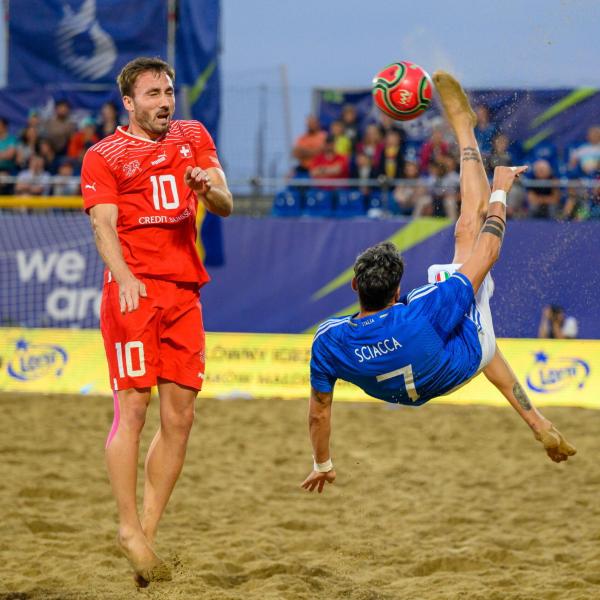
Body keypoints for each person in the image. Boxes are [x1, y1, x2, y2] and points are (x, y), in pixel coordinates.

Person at [302, 71, 576, 494]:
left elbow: (320, 410)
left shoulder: (328, 340)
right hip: (453, 360)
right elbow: (488, 253)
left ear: (354, 287)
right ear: (399, 290)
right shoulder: (425, 306)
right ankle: (466, 131)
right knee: (469, 231)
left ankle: (538, 421)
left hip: (410, 382)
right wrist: (501, 192)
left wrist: (323, 462)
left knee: (466, 296)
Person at [81, 56, 233, 585]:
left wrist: (204, 189)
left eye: (168, 91)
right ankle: (127, 527)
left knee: (181, 418)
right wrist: (122, 277)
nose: (165, 101)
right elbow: (103, 227)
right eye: (152, 94)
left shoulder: (193, 135)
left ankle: (145, 530)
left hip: (184, 292)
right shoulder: (103, 156)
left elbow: (226, 201)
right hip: (134, 293)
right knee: (133, 409)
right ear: (129, 102)